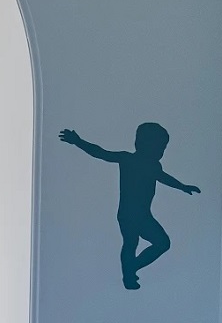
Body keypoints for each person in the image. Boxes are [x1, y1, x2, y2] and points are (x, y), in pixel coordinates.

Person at [60, 123, 199, 289]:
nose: (160, 153)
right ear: (140, 144)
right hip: (128, 214)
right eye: (158, 148)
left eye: (162, 149)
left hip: (144, 215)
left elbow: (163, 178)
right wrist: (78, 141)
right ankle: (129, 276)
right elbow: (100, 153)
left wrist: (183, 186)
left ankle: (131, 268)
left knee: (162, 243)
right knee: (131, 243)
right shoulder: (127, 159)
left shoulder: (154, 166)